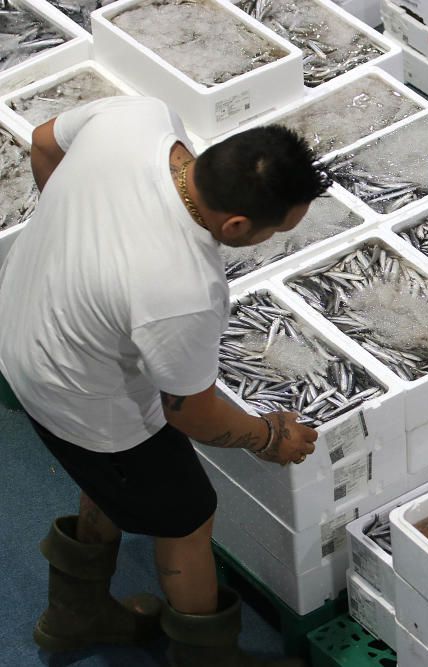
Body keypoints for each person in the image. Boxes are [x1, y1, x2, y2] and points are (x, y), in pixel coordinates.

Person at [0, 96, 327, 666]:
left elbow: (46, 140)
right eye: (275, 231)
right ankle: (205, 658)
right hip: (76, 393)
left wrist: (78, 244)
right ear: (237, 226)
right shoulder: (181, 289)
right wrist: (267, 437)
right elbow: (191, 413)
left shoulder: (139, 118)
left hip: (20, 322)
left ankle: (76, 616)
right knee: (187, 515)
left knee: (109, 477)